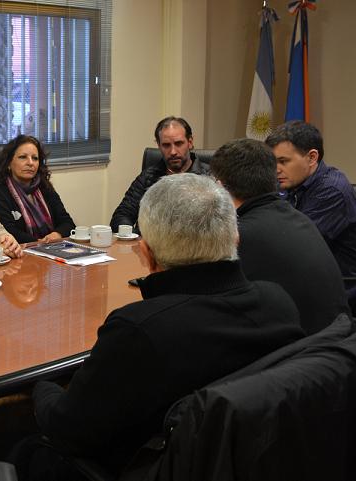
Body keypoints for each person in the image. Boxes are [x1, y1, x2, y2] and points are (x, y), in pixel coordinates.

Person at [33, 174, 304, 474]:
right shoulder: (279, 303)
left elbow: (67, 430)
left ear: (147, 255)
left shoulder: (140, 331)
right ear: (235, 237)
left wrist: (40, 386)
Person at [210, 138, 349, 335]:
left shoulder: (240, 236)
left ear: (221, 187)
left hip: (302, 354)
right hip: (336, 346)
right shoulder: (296, 217)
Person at [265, 121, 356, 284]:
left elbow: (295, 245)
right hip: (306, 278)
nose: (276, 169)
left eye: (283, 161)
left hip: (339, 290)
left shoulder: (331, 191)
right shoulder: (291, 182)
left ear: (312, 157)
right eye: (273, 162)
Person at [110, 116, 210, 233]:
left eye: (178, 143)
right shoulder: (148, 177)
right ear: (159, 145)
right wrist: (139, 238)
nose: (173, 152)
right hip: (149, 244)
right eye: (166, 145)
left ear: (190, 142)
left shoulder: (209, 178)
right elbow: (121, 216)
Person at [0, 135, 76, 243]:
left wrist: (57, 234)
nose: (30, 163)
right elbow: (7, 232)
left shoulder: (44, 187)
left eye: (35, 158)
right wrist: (39, 243)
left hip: (52, 249)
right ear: (9, 163)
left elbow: (68, 223)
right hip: (21, 253)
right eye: (23, 157)